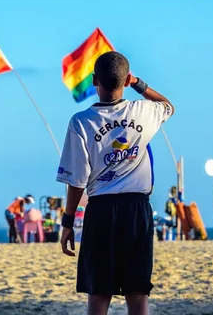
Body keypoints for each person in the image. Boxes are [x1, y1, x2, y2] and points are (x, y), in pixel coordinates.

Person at [57, 51, 174, 315]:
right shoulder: (143, 110)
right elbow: (168, 105)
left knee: (99, 292)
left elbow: (76, 181)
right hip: (137, 209)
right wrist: (139, 85)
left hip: (100, 209)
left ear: (94, 80)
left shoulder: (81, 122)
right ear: (126, 81)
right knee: (137, 292)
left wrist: (67, 222)